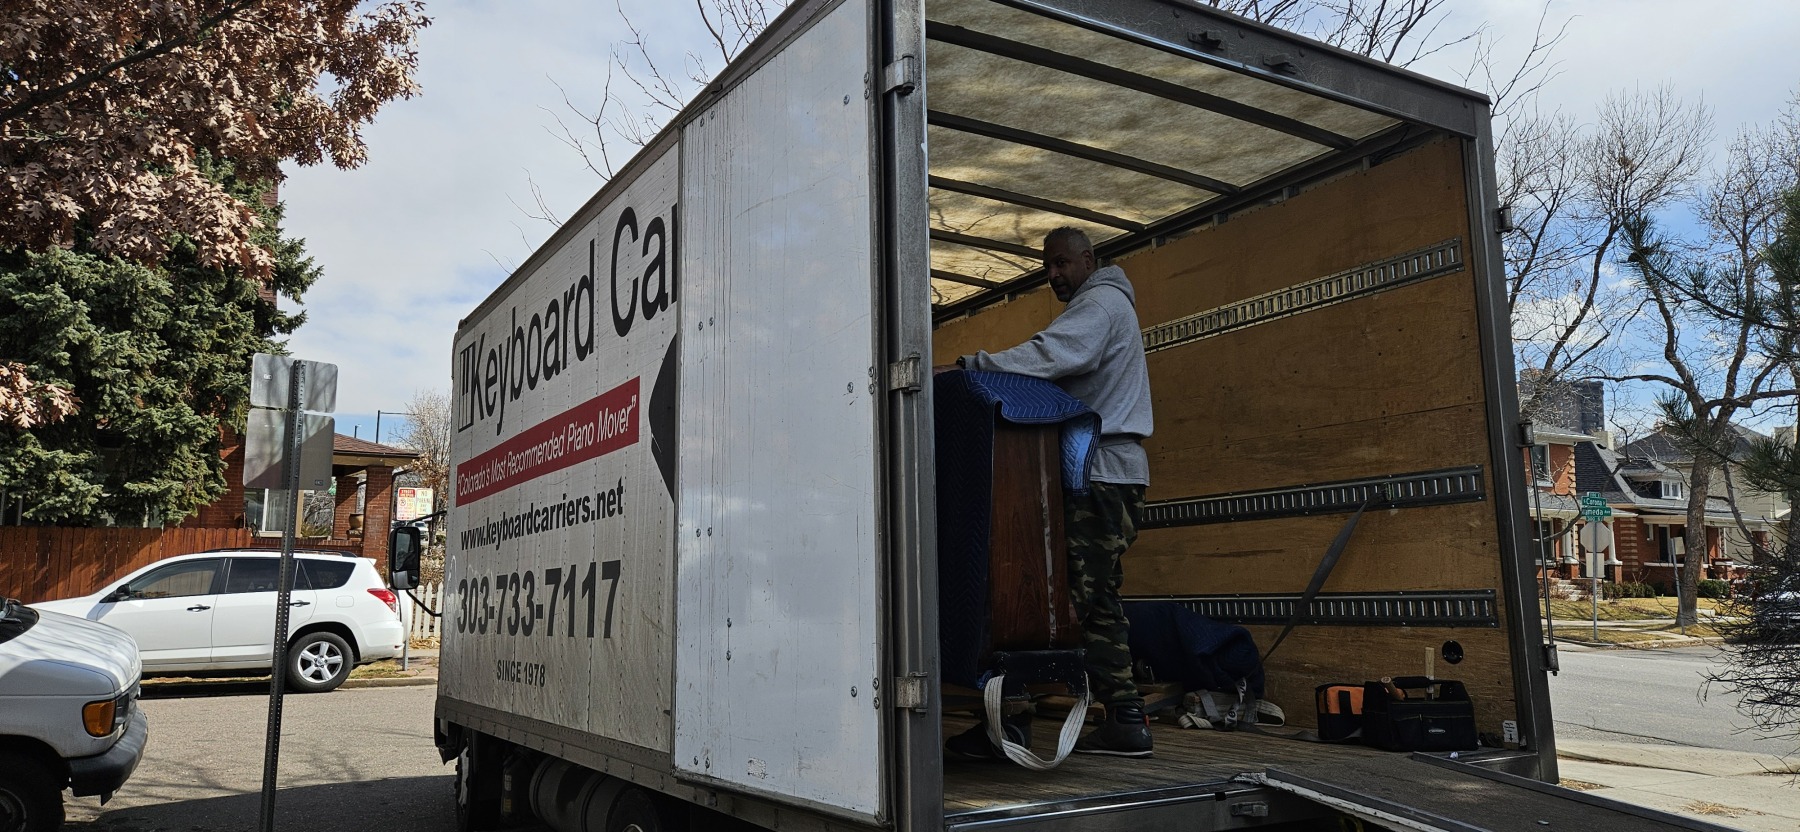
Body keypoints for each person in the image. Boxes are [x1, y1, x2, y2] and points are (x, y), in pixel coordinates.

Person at [950, 226, 1156, 758]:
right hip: (1111, 473)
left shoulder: (1100, 305)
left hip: (1102, 472)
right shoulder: (1105, 305)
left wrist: (974, 366)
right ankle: (1125, 719)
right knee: (1092, 598)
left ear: (1088, 259)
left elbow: (1052, 355)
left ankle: (1012, 725)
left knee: (1054, 602)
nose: (1053, 274)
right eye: (1047, 266)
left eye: (1062, 263)